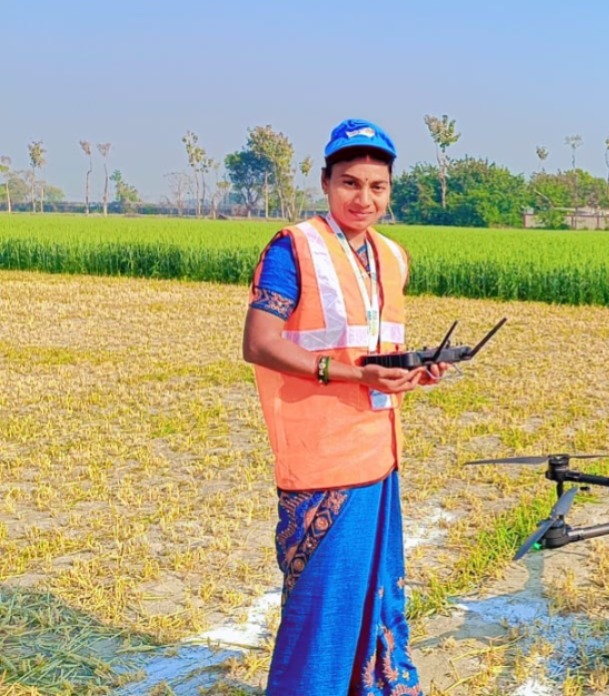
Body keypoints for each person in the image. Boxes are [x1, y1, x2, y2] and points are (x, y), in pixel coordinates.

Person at [242, 118, 440, 695]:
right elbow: (259, 342)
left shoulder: (392, 257)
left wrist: (417, 371)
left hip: (380, 451)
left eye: (377, 187)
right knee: (322, 609)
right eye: (350, 183)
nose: (364, 198)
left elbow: (375, 349)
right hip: (322, 457)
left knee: (376, 592)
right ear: (326, 183)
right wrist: (352, 373)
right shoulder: (294, 247)